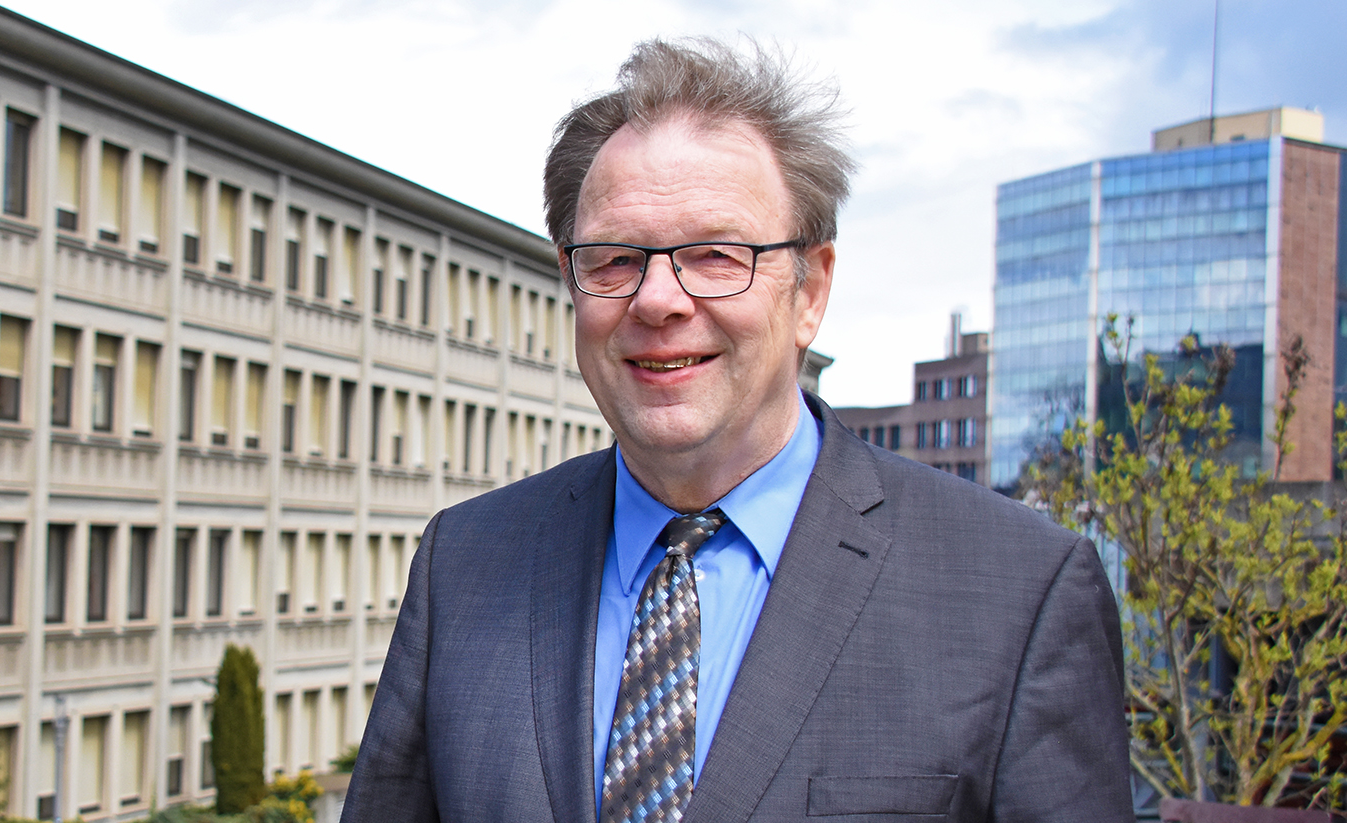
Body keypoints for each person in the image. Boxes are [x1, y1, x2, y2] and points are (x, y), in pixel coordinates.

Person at [340, 37, 1131, 823]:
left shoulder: (1018, 592)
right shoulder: (466, 564)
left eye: (716, 254)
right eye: (614, 259)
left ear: (811, 289)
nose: (657, 299)